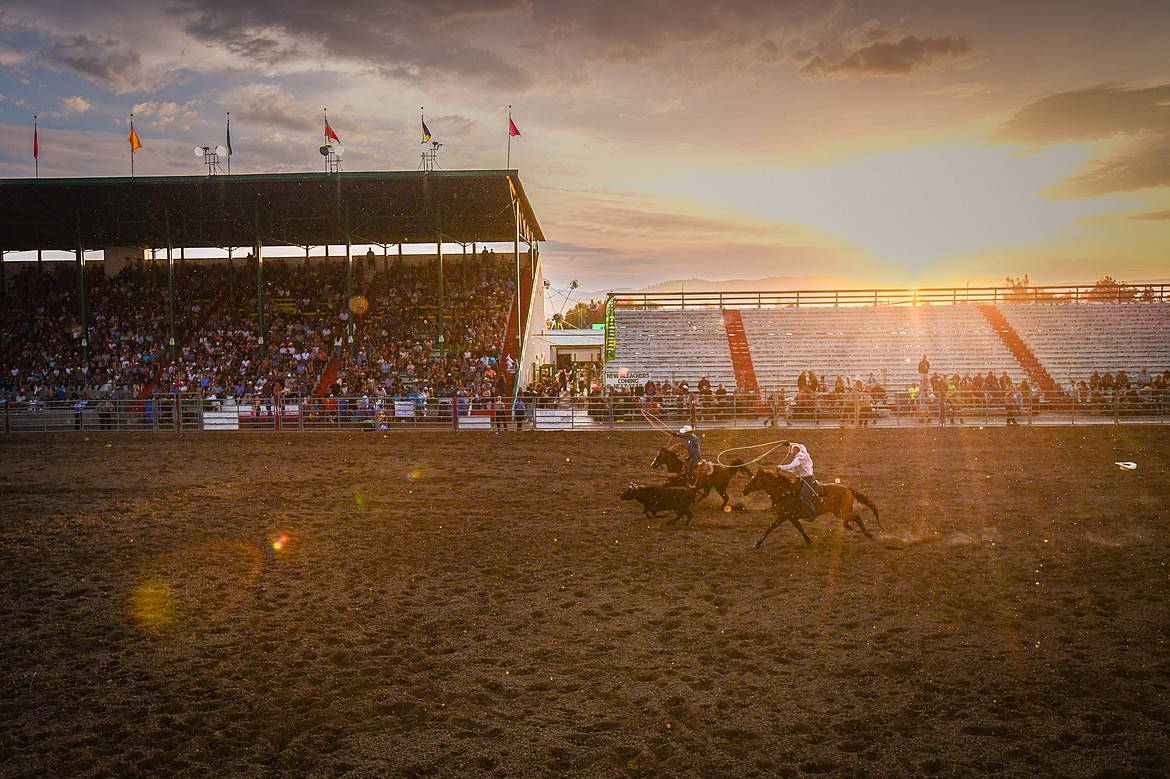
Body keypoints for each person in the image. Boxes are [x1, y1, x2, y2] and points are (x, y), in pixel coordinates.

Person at [778, 441, 822, 518]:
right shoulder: (803, 451)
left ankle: (813, 513)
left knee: (803, 496)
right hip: (804, 478)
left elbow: (791, 466)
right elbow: (800, 445)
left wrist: (781, 467)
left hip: (807, 480)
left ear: (795, 451)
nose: (791, 453)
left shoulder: (799, 458)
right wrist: (789, 444)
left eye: (792, 451)